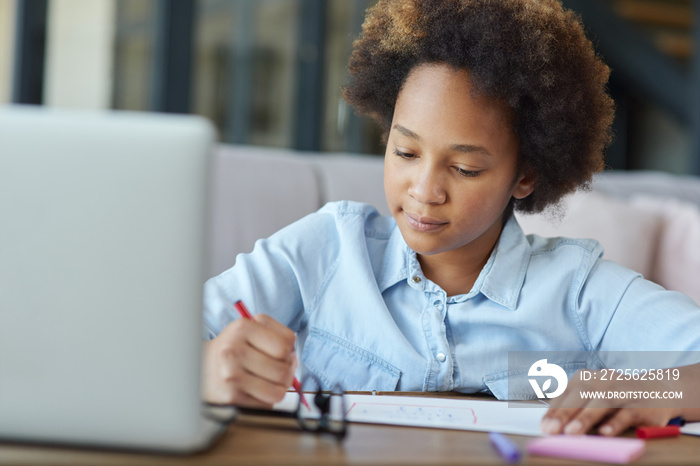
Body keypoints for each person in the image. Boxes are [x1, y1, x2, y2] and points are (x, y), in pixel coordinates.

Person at [202, 0, 700, 436]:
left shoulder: (578, 290)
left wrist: (656, 387)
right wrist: (207, 367)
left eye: (464, 168)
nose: (424, 191)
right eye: (405, 152)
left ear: (524, 176)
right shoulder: (325, 249)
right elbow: (161, 339)